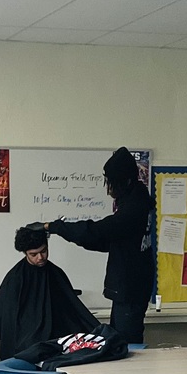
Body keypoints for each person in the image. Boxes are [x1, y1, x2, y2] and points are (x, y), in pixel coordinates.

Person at [37, 147, 154, 343]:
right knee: (119, 342)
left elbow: (98, 231)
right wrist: (80, 239)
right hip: (131, 289)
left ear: (124, 181)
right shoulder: (140, 200)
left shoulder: (134, 208)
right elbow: (108, 241)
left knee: (127, 346)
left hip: (130, 291)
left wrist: (54, 227)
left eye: (111, 183)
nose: (108, 189)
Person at [0, 226, 100, 359]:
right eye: (33, 254)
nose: (40, 257)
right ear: (25, 253)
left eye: (44, 251)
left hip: (57, 338)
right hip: (25, 342)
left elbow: (73, 309)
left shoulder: (56, 274)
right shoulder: (15, 279)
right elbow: (6, 322)